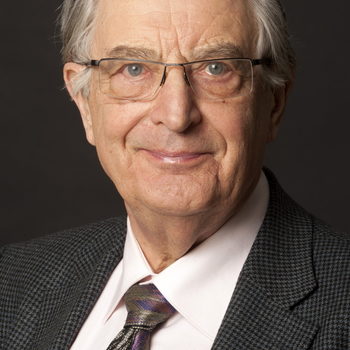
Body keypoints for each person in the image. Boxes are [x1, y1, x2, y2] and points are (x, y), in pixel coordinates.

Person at [0, 0, 349, 349]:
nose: (177, 115)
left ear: (274, 102)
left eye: (216, 68)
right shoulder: (12, 282)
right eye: (134, 69)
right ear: (85, 102)